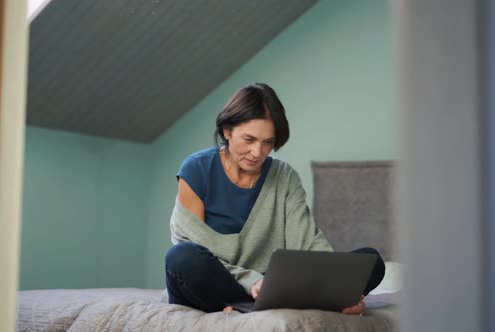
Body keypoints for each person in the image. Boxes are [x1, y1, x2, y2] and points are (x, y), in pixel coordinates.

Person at [165, 83, 385, 314]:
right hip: (219, 282)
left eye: (268, 142)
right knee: (182, 259)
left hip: (270, 286)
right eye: (249, 139)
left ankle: (249, 306)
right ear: (227, 131)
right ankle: (255, 303)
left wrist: (335, 286)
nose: (258, 152)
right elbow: (193, 246)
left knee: (372, 262)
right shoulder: (196, 170)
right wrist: (251, 282)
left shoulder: (285, 177)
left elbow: (308, 244)